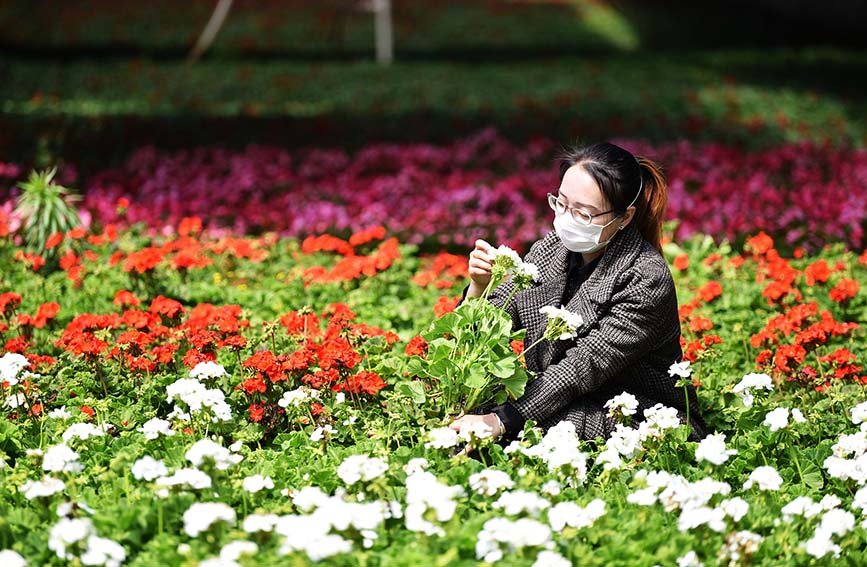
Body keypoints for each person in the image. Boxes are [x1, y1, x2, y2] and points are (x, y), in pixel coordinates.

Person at [449, 141, 707, 442]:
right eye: (561, 203)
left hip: (637, 417)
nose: (567, 219)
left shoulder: (645, 277)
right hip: (563, 400)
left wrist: (502, 419)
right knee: (477, 410)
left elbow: (583, 365)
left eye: (584, 214)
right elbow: (488, 327)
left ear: (624, 217)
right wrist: (479, 288)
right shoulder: (550, 250)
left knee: (508, 423)